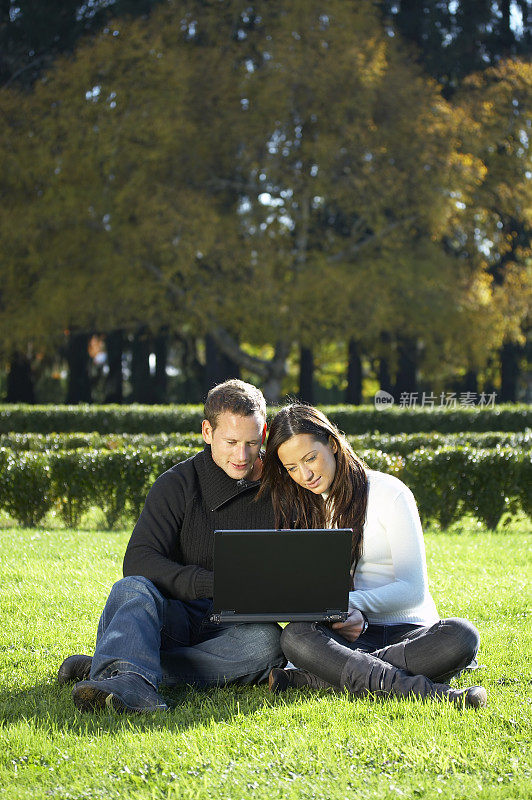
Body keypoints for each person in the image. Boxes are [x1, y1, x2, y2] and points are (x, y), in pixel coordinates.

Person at [57, 380, 285, 713]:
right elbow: (138, 561)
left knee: (268, 645)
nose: (242, 455)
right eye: (231, 441)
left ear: (264, 433)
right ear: (207, 431)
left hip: (236, 626)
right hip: (170, 618)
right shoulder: (177, 483)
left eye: (252, 443)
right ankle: (130, 674)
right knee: (131, 590)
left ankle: (120, 669)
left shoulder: (282, 487)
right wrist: (211, 583)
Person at [259, 404, 487, 709]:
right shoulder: (301, 508)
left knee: (462, 636)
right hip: (346, 636)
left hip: (409, 632)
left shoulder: (389, 493)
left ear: (333, 444)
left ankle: (316, 677)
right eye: (291, 468)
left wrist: (351, 606)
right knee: (295, 636)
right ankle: (429, 693)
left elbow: (412, 590)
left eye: (310, 458)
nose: (306, 474)